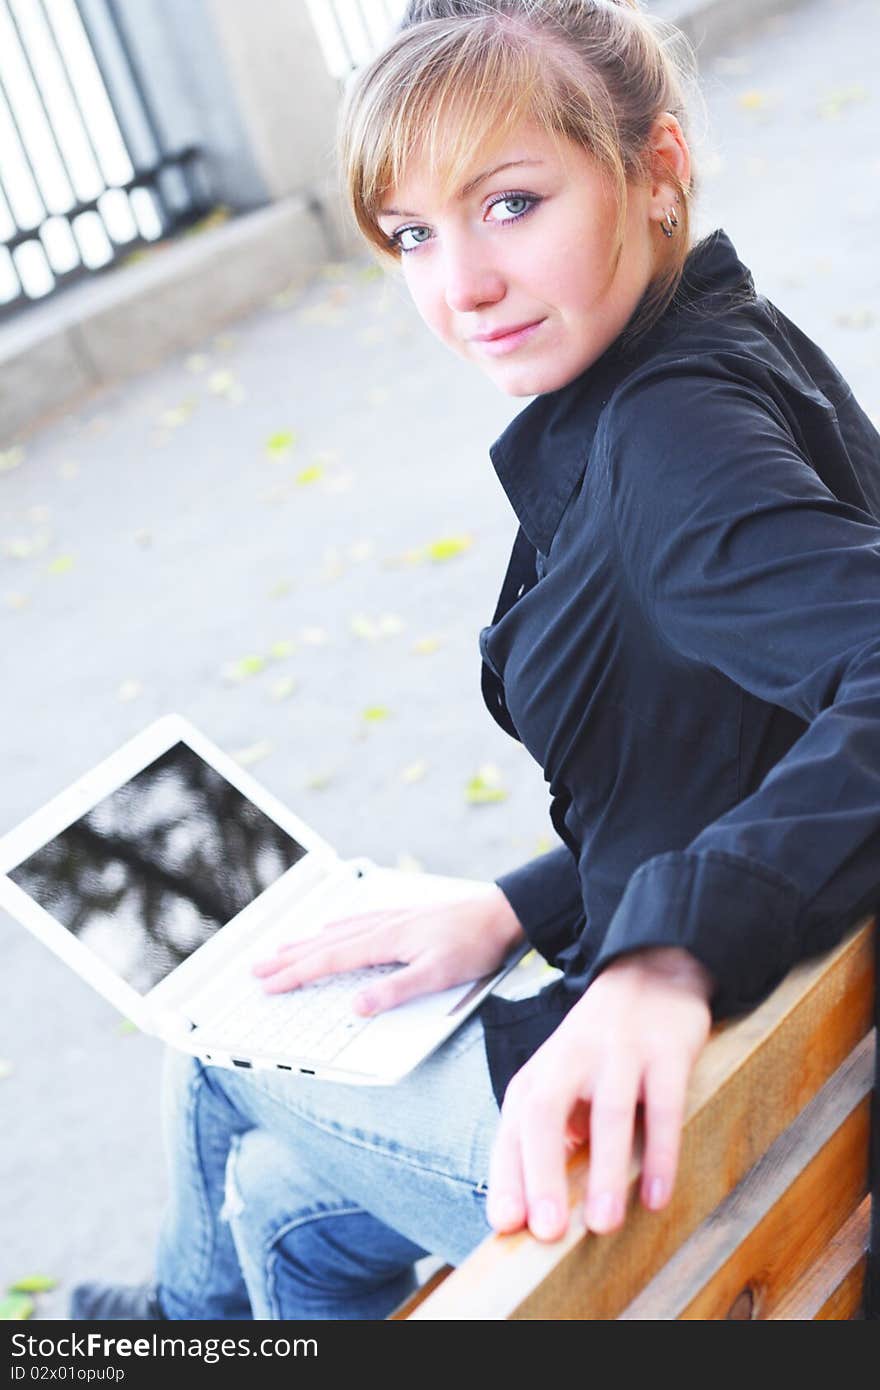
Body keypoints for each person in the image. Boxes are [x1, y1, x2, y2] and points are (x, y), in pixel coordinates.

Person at [72, 0, 879, 1320]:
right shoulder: (718, 345)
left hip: (696, 1148)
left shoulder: (673, 441)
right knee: (283, 1203)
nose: (461, 286)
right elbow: (741, 744)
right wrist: (521, 906)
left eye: (509, 204)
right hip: (790, 1093)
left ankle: (166, 1334)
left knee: (210, 1040)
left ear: (656, 164)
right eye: (412, 233)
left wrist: (662, 955)